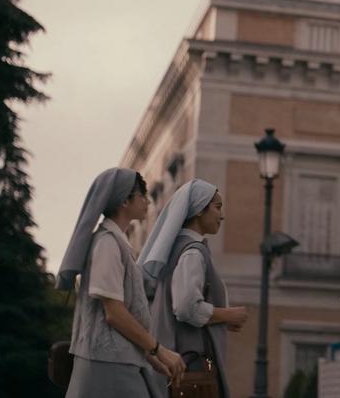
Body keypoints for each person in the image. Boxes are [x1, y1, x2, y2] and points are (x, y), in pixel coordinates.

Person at [56, 168, 185, 398]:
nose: (147, 201)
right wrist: (159, 350)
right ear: (125, 200)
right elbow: (113, 313)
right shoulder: (107, 243)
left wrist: (151, 357)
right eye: (142, 195)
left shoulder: (117, 242)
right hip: (105, 366)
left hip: (113, 362)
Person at [139, 179, 247, 398]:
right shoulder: (192, 252)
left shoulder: (178, 249)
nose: (222, 215)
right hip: (188, 366)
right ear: (199, 210)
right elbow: (186, 307)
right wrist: (227, 315)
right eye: (217, 207)